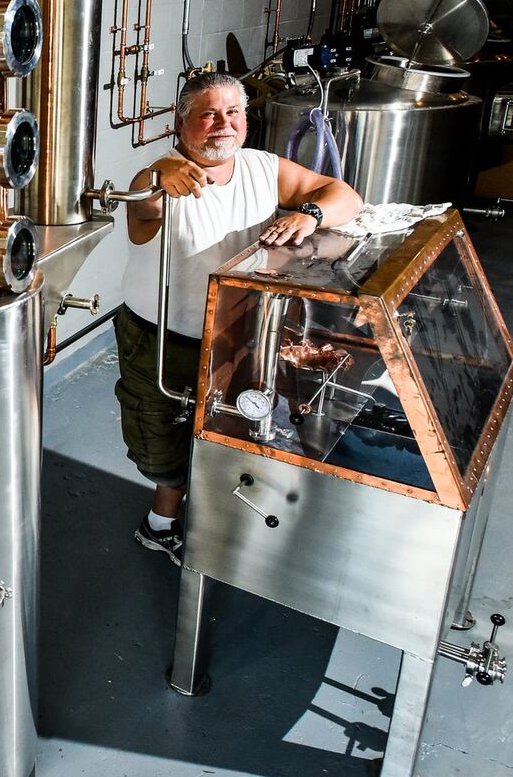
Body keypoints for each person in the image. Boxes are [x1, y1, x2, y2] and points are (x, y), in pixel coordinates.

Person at [116, 70, 363, 565]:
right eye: (207, 114)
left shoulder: (261, 167)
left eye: (232, 113)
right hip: (162, 336)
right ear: (181, 123)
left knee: (228, 424)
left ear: (246, 120)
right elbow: (142, 205)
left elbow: (346, 197)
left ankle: (214, 517)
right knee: (160, 433)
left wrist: (308, 214)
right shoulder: (165, 176)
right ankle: (160, 523)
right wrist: (157, 178)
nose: (221, 124)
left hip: (235, 330)